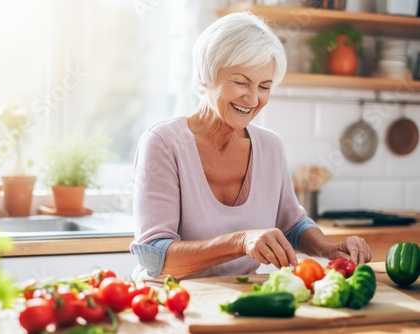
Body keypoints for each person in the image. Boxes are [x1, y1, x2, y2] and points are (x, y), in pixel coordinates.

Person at [130, 12, 372, 282]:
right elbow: (154, 255)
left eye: (264, 86)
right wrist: (240, 241)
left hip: (241, 299)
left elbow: (292, 223)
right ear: (204, 76)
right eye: (241, 82)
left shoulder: (270, 146)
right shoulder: (163, 143)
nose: (254, 98)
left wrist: (327, 248)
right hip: (168, 302)